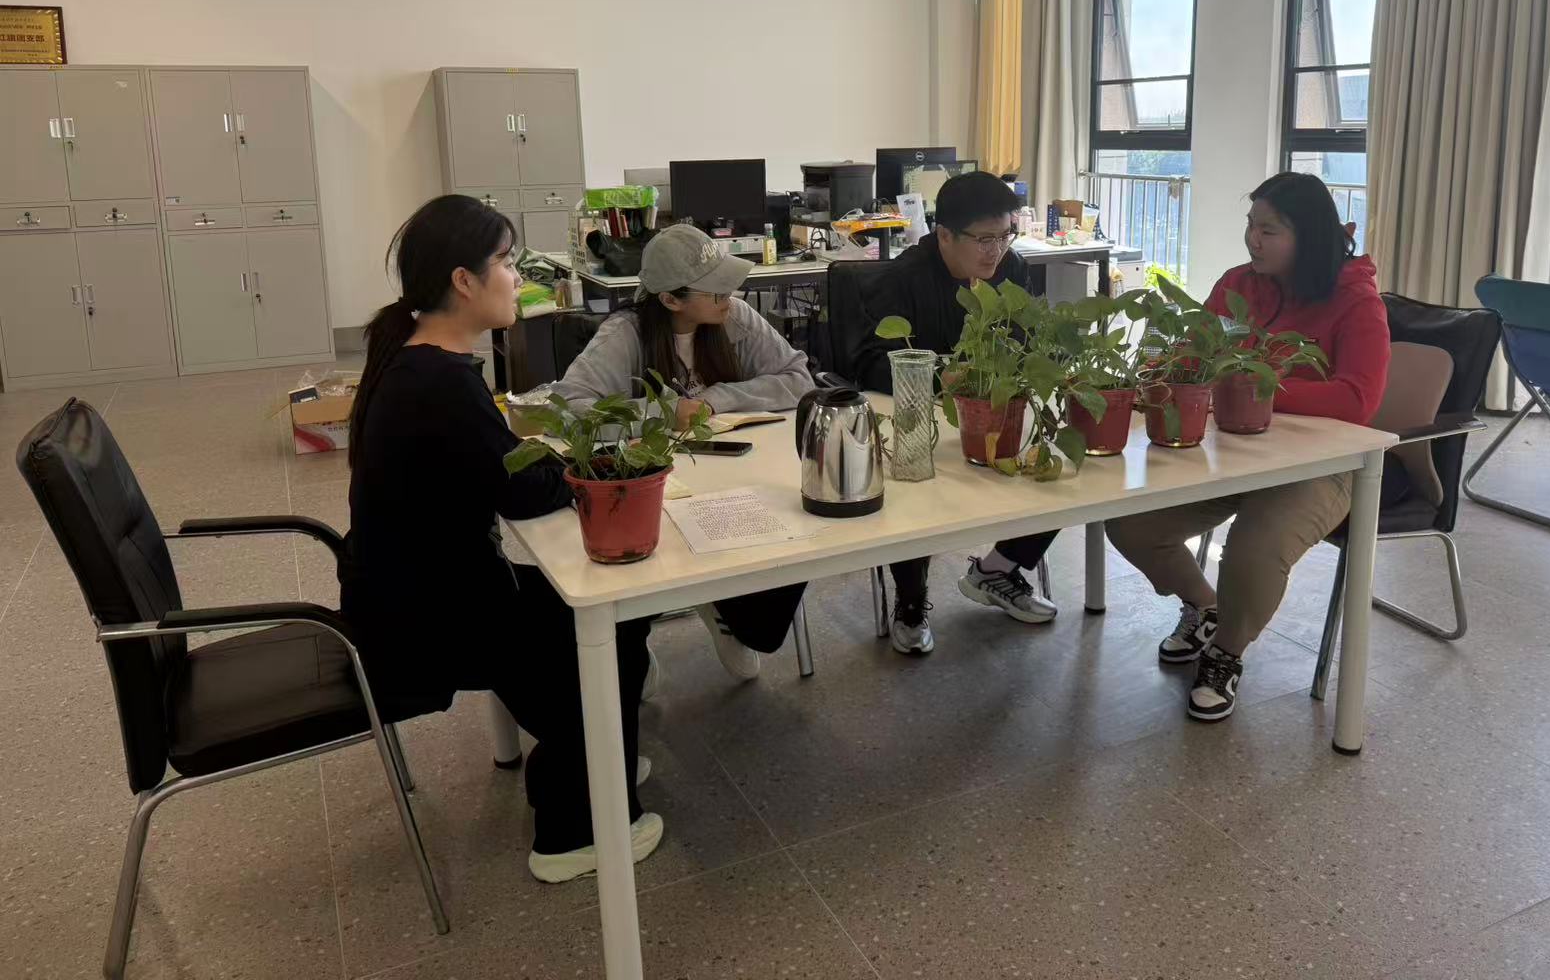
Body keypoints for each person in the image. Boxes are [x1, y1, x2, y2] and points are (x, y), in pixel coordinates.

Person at [341, 194, 658, 885]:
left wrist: (545, 458)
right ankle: (575, 830)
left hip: (416, 588)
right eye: (507, 263)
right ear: (464, 281)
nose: (518, 278)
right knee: (606, 627)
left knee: (611, 619)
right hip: (430, 616)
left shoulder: (420, 358)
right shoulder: (437, 383)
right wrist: (582, 467)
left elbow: (498, 466)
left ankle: (597, 760)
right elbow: (521, 489)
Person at [1107, 172, 1390, 722]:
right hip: (1234, 452)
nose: (1253, 240)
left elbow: (1358, 400)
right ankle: (1205, 606)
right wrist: (1169, 370)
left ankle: (1226, 652)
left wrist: (1255, 386)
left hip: (1319, 466)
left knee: (1254, 549)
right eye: (1250, 225)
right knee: (1129, 520)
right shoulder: (1239, 283)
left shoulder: (1356, 300)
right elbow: (1195, 354)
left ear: (1308, 236)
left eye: (1269, 230)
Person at [555, 222, 813, 681]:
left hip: (736, 476)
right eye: (714, 290)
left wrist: (717, 398)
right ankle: (632, 639)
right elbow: (570, 409)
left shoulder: (734, 316)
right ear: (671, 300)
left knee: (796, 532)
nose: (729, 296)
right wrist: (663, 412)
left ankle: (727, 608)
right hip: (659, 486)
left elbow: (798, 378)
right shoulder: (625, 334)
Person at [852, 169, 1061, 655]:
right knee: (911, 483)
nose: (997, 251)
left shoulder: (1012, 269)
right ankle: (911, 600)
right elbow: (865, 364)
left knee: (1053, 464)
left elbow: (1032, 340)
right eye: (984, 239)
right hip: (920, 420)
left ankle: (998, 570)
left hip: (995, 410)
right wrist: (934, 378)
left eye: (1006, 235)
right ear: (944, 234)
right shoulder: (900, 279)